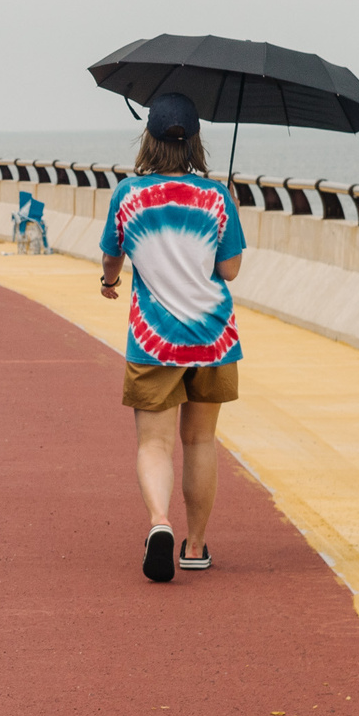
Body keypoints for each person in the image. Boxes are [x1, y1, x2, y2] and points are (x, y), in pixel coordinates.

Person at [97, 91, 246, 584]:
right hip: (213, 339)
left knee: (155, 445)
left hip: (155, 340)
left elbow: (112, 256)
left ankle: (160, 524)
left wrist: (111, 281)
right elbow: (229, 269)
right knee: (201, 440)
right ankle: (197, 545)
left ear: (150, 139)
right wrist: (232, 210)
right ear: (195, 143)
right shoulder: (218, 197)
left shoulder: (128, 194)